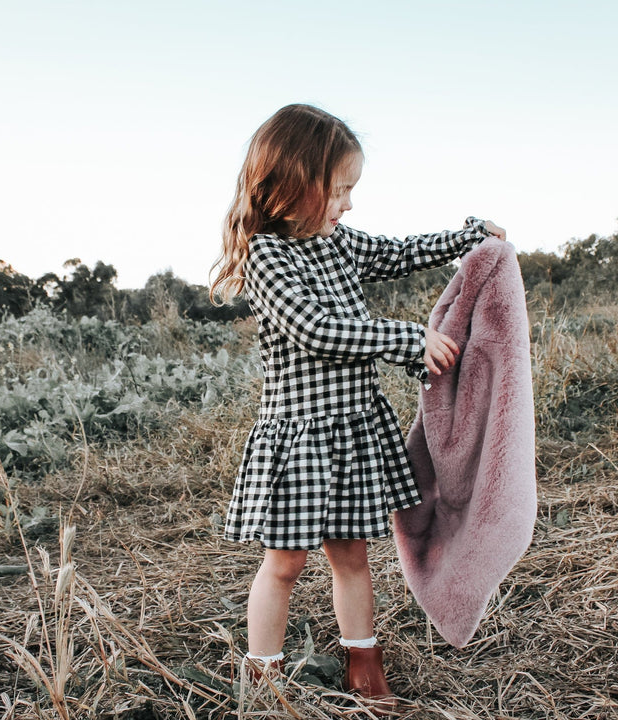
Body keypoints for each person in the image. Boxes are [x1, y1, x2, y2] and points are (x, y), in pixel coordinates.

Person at [209, 103, 505, 701]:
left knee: (351, 555)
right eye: (340, 189)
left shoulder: (340, 243)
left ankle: (363, 661)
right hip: (301, 440)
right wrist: (406, 339)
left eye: (351, 189)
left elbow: (399, 253)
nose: (349, 204)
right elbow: (317, 329)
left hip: (353, 431)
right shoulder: (269, 257)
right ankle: (263, 672)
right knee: (285, 562)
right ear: (294, 183)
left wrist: (470, 237)